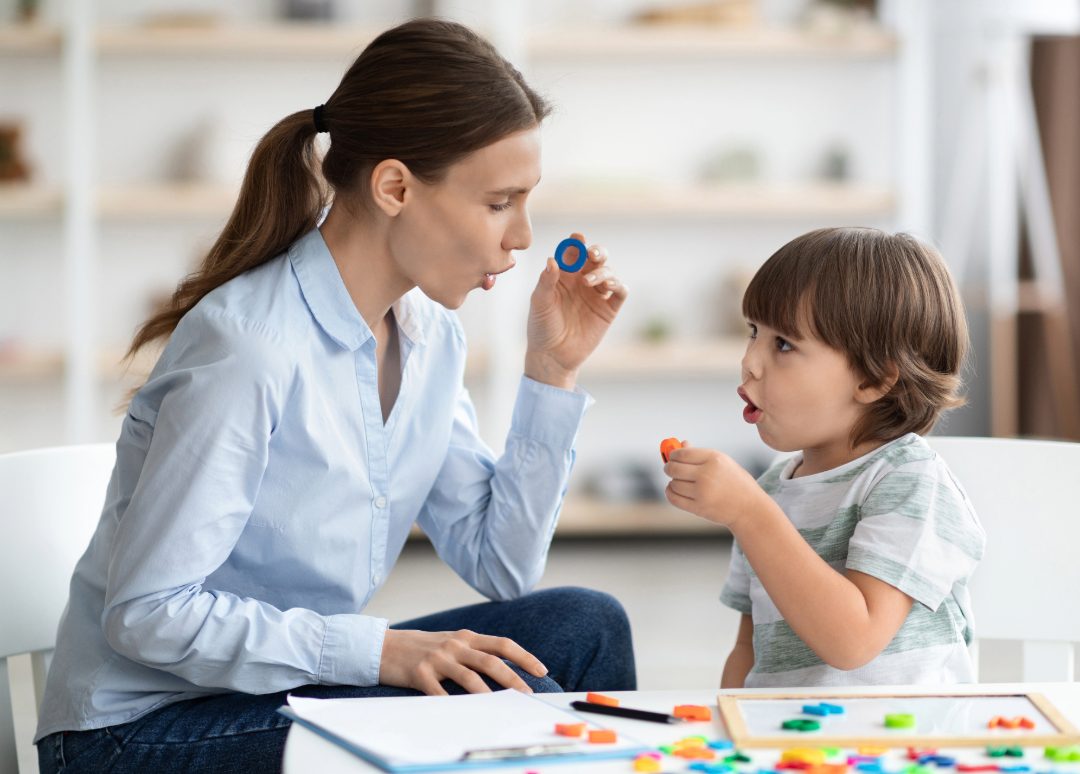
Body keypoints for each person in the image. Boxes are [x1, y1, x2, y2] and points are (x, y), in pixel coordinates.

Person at [35, 18, 634, 773]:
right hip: (138, 733)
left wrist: (553, 371)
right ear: (394, 187)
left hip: (278, 693)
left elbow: (500, 564)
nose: (522, 236)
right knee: (513, 701)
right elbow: (148, 616)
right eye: (498, 202)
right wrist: (376, 649)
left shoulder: (427, 336)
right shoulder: (250, 348)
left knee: (587, 627)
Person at [662, 227, 986, 688]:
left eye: (784, 345)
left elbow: (854, 641)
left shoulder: (911, 482)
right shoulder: (770, 489)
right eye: (754, 332)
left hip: (902, 750)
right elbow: (748, 650)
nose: (750, 361)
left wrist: (749, 515)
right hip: (790, 749)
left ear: (874, 380)